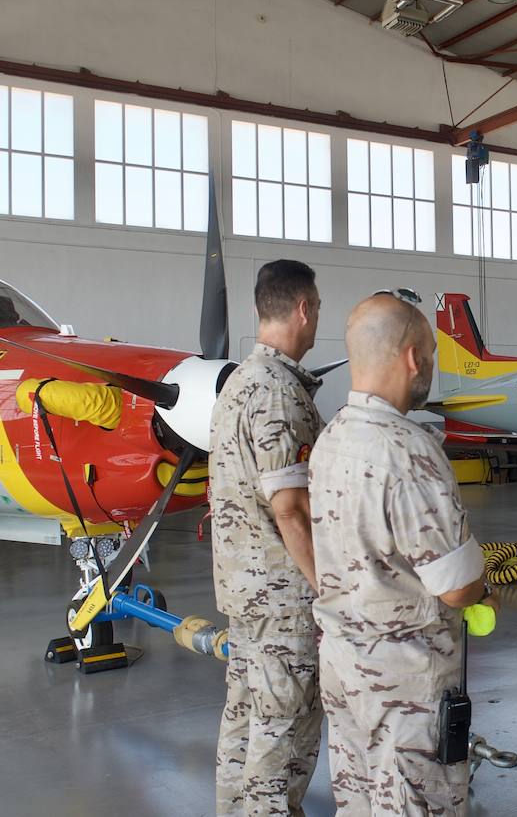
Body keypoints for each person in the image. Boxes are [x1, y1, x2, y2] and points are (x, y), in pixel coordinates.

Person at [308, 290, 497, 816]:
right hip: (404, 684)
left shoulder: (331, 438)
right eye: (431, 356)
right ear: (414, 356)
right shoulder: (408, 449)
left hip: (344, 667)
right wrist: (485, 588)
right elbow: (456, 585)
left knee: (361, 804)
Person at [210, 259, 325, 816]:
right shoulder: (279, 392)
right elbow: (292, 509)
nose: (316, 319)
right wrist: (329, 588)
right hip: (283, 598)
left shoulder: (237, 383)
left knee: (246, 721)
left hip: (246, 591)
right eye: (317, 308)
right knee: (284, 730)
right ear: (303, 309)